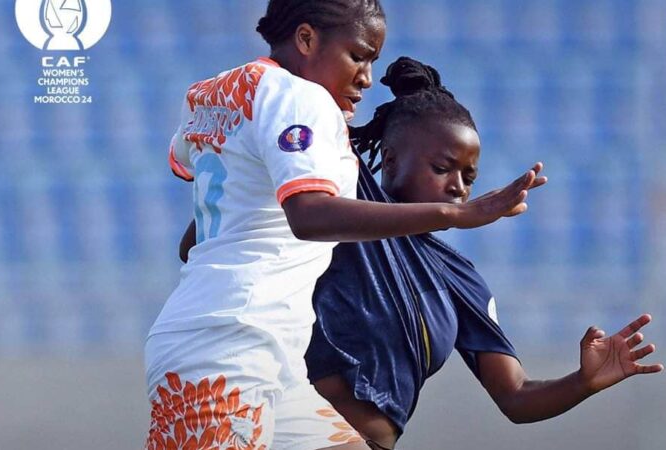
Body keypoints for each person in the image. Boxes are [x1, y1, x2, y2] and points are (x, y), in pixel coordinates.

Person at [147, 2, 546, 449]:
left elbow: (199, 227)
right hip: (224, 347)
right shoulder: (303, 97)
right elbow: (309, 215)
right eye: (358, 56)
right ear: (306, 39)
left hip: (273, 358)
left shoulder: (210, 94)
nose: (367, 77)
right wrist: (455, 215)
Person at [301, 57, 665, 449]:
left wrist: (583, 381)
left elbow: (515, 396)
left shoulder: (457, 275)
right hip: (295, 433)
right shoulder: (342, 202)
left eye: (469, 177)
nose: (458, 187)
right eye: (443, 168)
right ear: (390, 160)